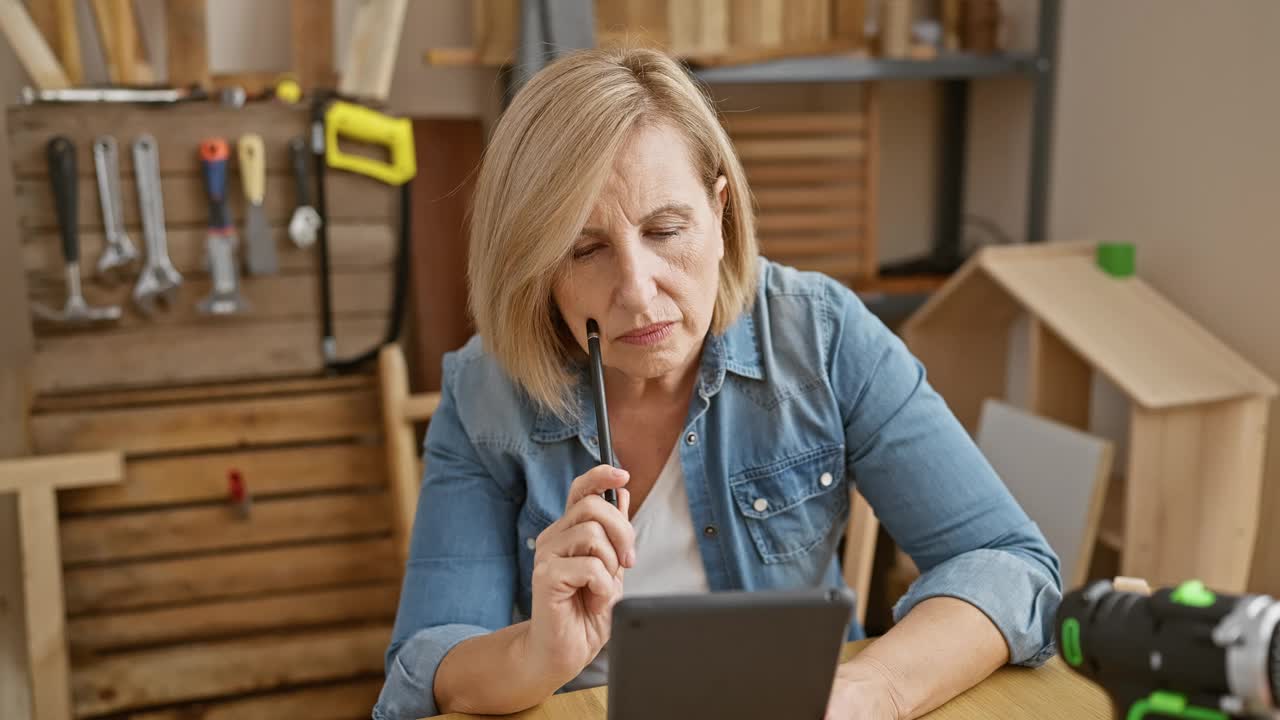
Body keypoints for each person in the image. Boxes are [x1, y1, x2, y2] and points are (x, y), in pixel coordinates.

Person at [373, 47, 1061, 720]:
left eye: (666, 229)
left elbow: (1009, 564)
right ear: (534, 267)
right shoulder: (485, 394)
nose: (638, 295)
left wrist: (869, 693)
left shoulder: (821, 335)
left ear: (721, 215)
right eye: (584, 250)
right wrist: (536, 655)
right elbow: (425, 667)